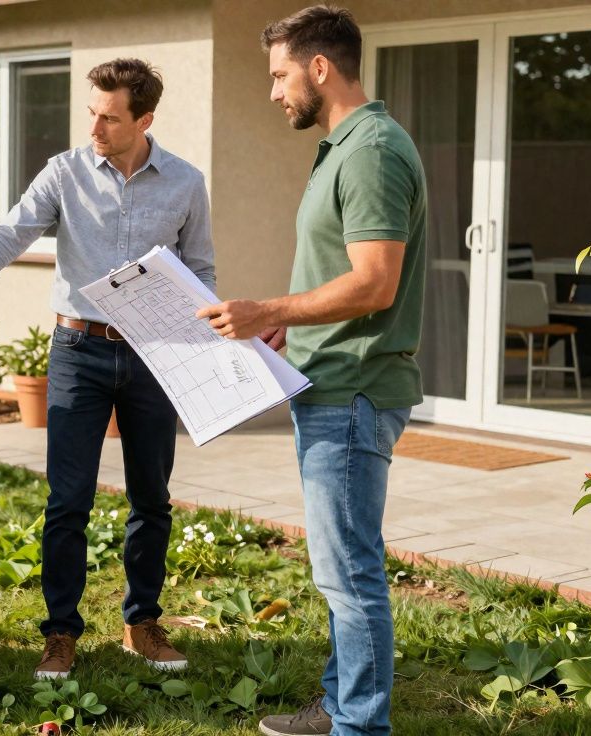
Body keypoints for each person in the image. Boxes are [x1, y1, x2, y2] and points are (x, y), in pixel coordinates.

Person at [0, 58, 215, 680]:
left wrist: (207, 338)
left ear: (145, 119)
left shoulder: (185, 182)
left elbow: (200, 270)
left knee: (152, 498)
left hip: (154, 355)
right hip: (79, 353)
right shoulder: (65, 172)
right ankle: (60, 632)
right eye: (90, 113)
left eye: (109, 117)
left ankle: (142, 623)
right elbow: (8, 234)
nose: (94, 127)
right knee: (67, 501)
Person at [195, 6, 427, 735]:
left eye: (279, 74)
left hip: (354, 392)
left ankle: (359, 726)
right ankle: (338, 708)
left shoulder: (371, 152)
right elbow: (343, 277)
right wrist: (281, 323)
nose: (273, 92)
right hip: (327, 385)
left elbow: (375, 282)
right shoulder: (342, 147)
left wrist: (273, 306)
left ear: (320, 67)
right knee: (340, 566)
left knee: (350, 571)